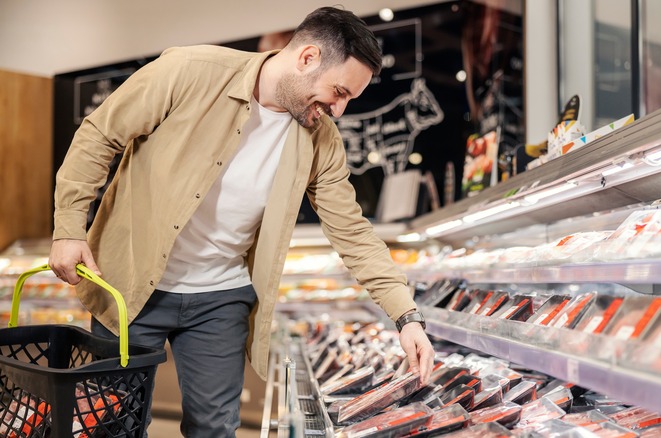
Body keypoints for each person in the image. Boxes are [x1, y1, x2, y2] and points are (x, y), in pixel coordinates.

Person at [48, 6, 434, 437]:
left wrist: (407, 316)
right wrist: (68, 227)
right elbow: (100, 135)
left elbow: (352, 231)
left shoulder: (320, 137)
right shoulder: (189, 72)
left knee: (215, 429)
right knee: (111, 424)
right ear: (307, 58)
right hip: (131, 285)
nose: (339, 111)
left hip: (221, 298)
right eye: (338, 91)